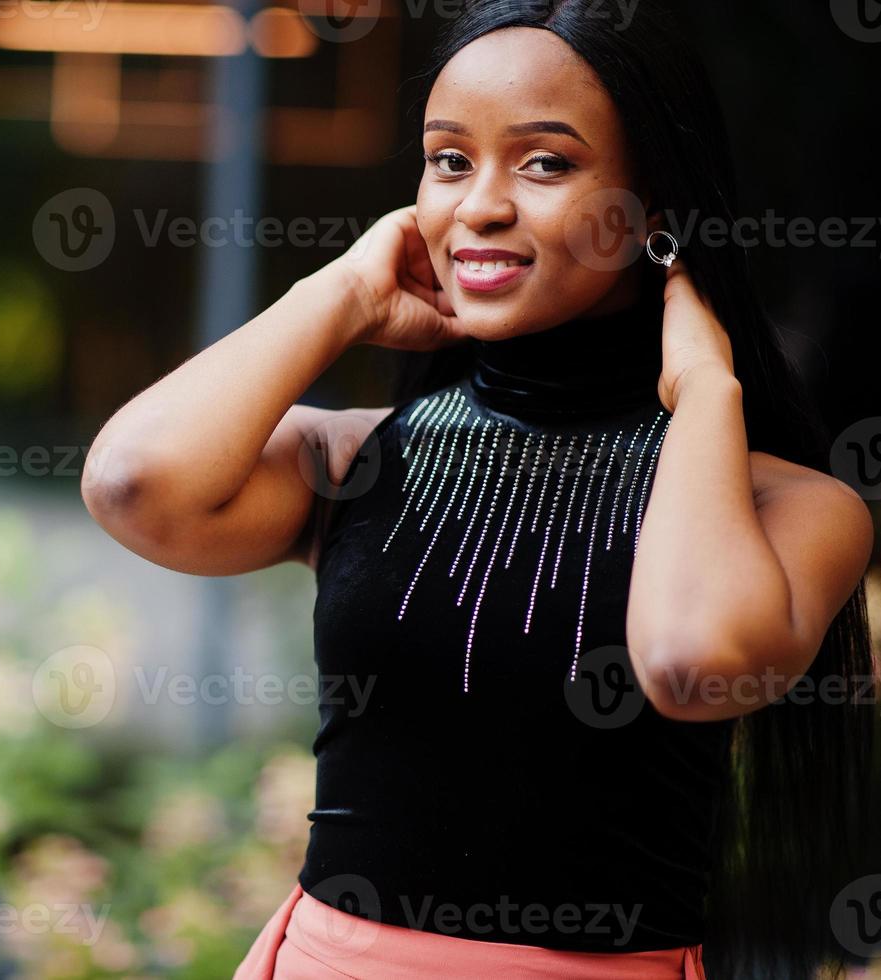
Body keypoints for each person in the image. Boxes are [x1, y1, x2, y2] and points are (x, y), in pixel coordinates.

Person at [81, 1, 878, 977]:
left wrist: (707, 391)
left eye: (545, 162)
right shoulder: (359, 457)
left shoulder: (788, 506)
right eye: (450, 161)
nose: (481, 205)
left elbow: (691, 662)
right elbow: (132, 485)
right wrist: (341, 293)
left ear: (656, 212)